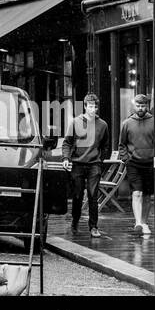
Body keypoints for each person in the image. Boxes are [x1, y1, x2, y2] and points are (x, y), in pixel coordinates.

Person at [62, 93, 110, 238]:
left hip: (94, 164)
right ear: (84, 106)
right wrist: (66, 158)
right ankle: (75, 221)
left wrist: (101, 160)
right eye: (90, 106)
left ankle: (93, 227)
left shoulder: (103, 125)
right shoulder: (75, 122)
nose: (93, 109)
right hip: (77, 164)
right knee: (77, 195)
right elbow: (67, 142)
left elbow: (105, 145)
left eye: (95, 107)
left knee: (93, 195)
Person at [117, 94, 155, 237]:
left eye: (143, 106)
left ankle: (144, 223)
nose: (140, 108)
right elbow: (122, 144)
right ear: (134, 106)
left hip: (150, 162)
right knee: (137, 192)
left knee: (147, 195)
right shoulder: (127, 123)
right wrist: (126, 159)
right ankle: (138, 222)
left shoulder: (154, 121)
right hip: (133, 163)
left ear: (147, 106)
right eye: (138, 106)